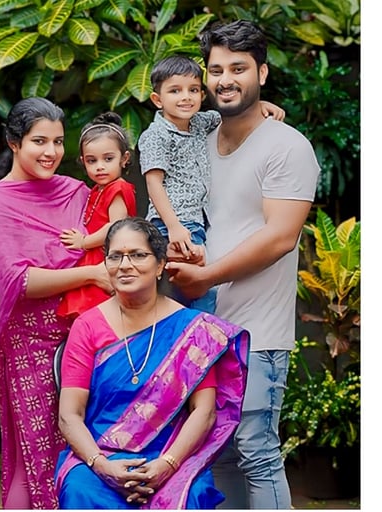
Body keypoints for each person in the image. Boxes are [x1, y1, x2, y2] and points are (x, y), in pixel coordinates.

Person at [165, 20, 320, 509]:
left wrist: (207, 276)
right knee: (219, 456)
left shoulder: (286, 146)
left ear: (262, 73)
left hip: (257, 334)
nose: (225, 79)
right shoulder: (196, 142)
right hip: (201, 329)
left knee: (256, 452)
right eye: (216, 70)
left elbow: (280, 237)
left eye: (239, 68)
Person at [0, 97, 113, 510]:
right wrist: (90, 276)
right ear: (14, 142)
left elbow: (112, 243)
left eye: (58, 142)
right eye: (39, 141)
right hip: (30, 345)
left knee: (90, 452)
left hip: (92, 339)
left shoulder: (78, 192)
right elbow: (19, 281)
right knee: (36, 456)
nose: (51, 152)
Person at [54, 217, 250, 509]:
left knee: (191, 494)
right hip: (100, 453)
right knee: (79, 490)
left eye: (137, 255)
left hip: (170, 453)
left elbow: (205, 412)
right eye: (115, 256)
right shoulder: (87, 326)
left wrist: (167, 464)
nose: (125, 265)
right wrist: (102, 465)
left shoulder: (192, 330)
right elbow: (70, 415)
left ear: (160, 266)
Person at [139, 55, 285, 314]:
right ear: (157, 100)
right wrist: (174, 227)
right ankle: (202, 336)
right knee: (201, 293)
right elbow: (154, 184)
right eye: (175, 91)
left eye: (193, 90)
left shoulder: (198, 123)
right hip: (174, 225)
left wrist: (259, 105)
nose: (186, 97)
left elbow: (228, 116)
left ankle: (190, 335)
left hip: (196, 223)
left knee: (188, 293)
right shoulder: (155, 136)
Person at [57, 111, 137, 319]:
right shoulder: (97, 189)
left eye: (108, 159)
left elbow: (115, 227)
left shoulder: (118, 187)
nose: (100, 166)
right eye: (92, 161)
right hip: (93, 257)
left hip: (105, 256)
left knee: (101, 314)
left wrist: (84, 242)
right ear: (83, 162)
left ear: (124, 158)